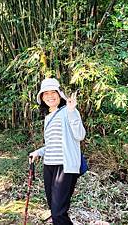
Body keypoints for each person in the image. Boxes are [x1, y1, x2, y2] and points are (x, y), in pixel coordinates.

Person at [29, 78, 86, 225]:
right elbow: (52, 145)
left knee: (58, 212)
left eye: (53, 92)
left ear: (59, 94)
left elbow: (80, 135)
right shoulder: (48, 117)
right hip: (49, 166)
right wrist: (38, 152)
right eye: (45, 93)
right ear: (41, 97)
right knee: (55, 210)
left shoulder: (69, 111)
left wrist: (72, 111)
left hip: (65, 167)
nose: (50, 96)